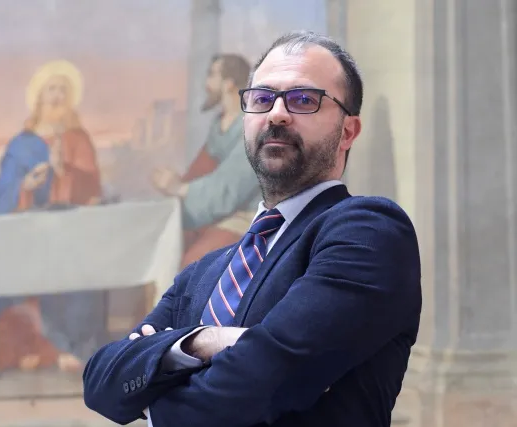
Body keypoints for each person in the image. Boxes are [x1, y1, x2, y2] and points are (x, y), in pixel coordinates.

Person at [83, 31, 421, 427]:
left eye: (303, 99)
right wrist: (201, 340)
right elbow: (101, 381)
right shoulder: (202, 272)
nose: (277, 114)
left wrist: (156, 397)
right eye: (262, 99)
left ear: (348, 132)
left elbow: (270, 375)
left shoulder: (368, 230)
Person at [0, 60, 105, 376]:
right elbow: (2, 196)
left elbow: (93, 189)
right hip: (26, 233)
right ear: (38, 98)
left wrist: (64, 171)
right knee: (14, 274)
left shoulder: (79, 139)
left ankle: (70, 347)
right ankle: (34, 349)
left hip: (70, 231)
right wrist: (26, 187)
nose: (57, 96)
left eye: (63, 90)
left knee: (77, 274)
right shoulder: (22, 144)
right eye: (51, 90)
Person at [151, 54, 262, 268]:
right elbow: (200, 171)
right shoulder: (219, 125)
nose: (206, 84)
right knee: (163, 248)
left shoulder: (252, 128)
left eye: (212, 75)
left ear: (229, 83)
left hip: (248, 219)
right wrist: (173, 184)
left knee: (194, 265)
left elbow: (228, 189)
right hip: (219, 214)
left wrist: (179, 188)